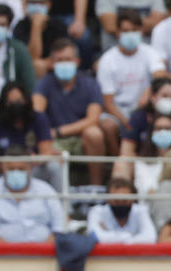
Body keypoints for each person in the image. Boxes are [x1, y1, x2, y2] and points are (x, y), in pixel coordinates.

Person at [34, 38, 113, 186]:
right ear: (51, 63)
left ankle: (95, 187)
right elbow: (37, 113)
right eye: (59, 60)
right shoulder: (44, 83)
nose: (64, 63)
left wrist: (59, 131)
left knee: (94, 133)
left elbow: (93, 119)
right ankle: (62, 196)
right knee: (44, 145)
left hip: (80, 138)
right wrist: (50, 135)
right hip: (55, 141)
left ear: (77, 61)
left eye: (68, 59)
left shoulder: (90, 84)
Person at [0, 144, 67, 240]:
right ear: (3, 168)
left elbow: (59, 227)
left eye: (21, 169)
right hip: (2, 253)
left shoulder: (46, 190)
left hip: (43, 253)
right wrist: (9, 252)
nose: (16, 172)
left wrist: (40, 252)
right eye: (11, 169)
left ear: (30, 168)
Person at [0, 81, 62, 187]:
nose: (16, 106)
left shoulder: (39, 119)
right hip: (4, 173)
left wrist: (29, 163)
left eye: (19, 101)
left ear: (26, 101)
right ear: (4, 104)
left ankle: (62, 204)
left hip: (31, 170)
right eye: (11, 103)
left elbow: (46, 153)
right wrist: (12, 167)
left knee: (54, 167)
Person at [97, 10, 168, 124]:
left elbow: (160, 75)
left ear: (141, 31)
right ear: (118, 33)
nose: (130, 34)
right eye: (125, 31)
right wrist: (128, 125)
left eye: (134, 30)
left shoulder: (150, 52)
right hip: (119, 109)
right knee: (107, 125)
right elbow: (108, 103)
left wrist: (148, 91)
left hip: (145, 107)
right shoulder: (107, 60)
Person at [87, 174, 159, 241]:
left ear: (133, 199)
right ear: (107, 199)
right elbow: (95, 236)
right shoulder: (97, 212)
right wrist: (133, 237)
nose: (121, 204)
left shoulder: (140, 211)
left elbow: (150, 237)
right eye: (117, 201)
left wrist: (109, 235)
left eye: (125, 201)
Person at [15, 0, 71, 79]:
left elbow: (64, 53)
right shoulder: (20, 27)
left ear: (49, 4)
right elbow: (28, 58)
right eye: (33, 3)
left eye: (41, 3)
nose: (37, 6)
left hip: (55, 69)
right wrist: (36, 27)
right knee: (36, 66)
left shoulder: (58, 26)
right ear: (25, 5)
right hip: (28, 71)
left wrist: (45, 63)